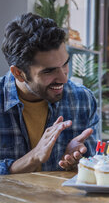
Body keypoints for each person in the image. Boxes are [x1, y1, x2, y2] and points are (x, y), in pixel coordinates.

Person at [0, 13, 99, 174]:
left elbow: (97, 167)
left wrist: (79, 163)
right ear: (18, 73)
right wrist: (33, 157)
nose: (63, 78)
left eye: (65, 64)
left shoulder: (83, 100)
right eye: (49, 71)